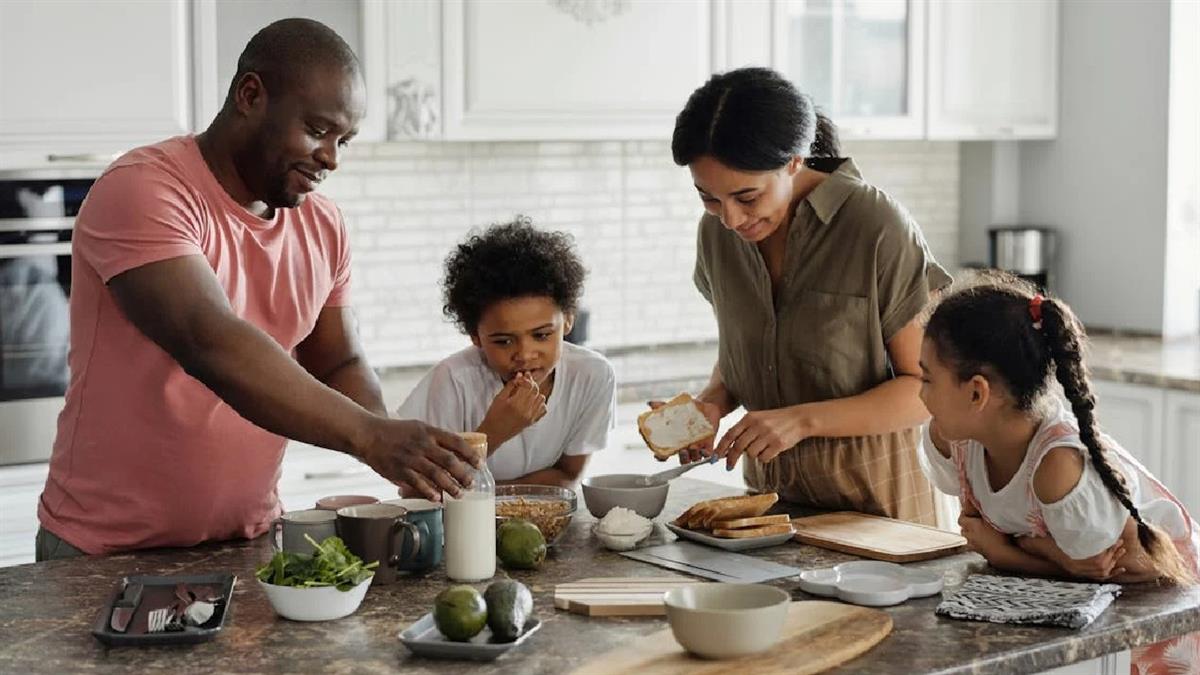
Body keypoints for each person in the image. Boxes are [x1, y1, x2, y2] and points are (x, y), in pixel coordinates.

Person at [35, 18, 476, 561]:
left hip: (248, 542)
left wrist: (397, 448)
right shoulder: (143, 189)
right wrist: (369, 436)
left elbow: (338, 361)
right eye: (317, 130)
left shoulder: (323, 224)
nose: (332, 157)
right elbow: (209, 340)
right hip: (104, 552)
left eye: (344, 140)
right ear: (250, 95)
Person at [665, 66, 951, 525]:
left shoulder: (874, 225)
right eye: (709, 198)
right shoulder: (716, 235)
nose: (732, 220)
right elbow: (748, 354)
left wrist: (801, 421)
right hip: (771, 514)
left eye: (747, 197)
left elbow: (928, 390)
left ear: (795, 160)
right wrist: (712, 405)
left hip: (882, 515)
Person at [918, 273, 1198, 674]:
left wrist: (1008, 552)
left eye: (927, 379)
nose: (919, 393)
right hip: (1081, 614)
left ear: (977, 393)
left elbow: (1126, 569)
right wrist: (1045, 553)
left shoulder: (1057, 466)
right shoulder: (957, 439)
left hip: (1163, 618)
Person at [396, 217, 616, 488]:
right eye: (503, 341)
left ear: (568, 320)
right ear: (475, 336)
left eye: (542, 335)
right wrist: (495, 431)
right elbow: (417, 491)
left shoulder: (593, 375)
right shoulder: (452, 381)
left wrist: (496, 499)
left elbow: (567, 475)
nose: (524, 354)